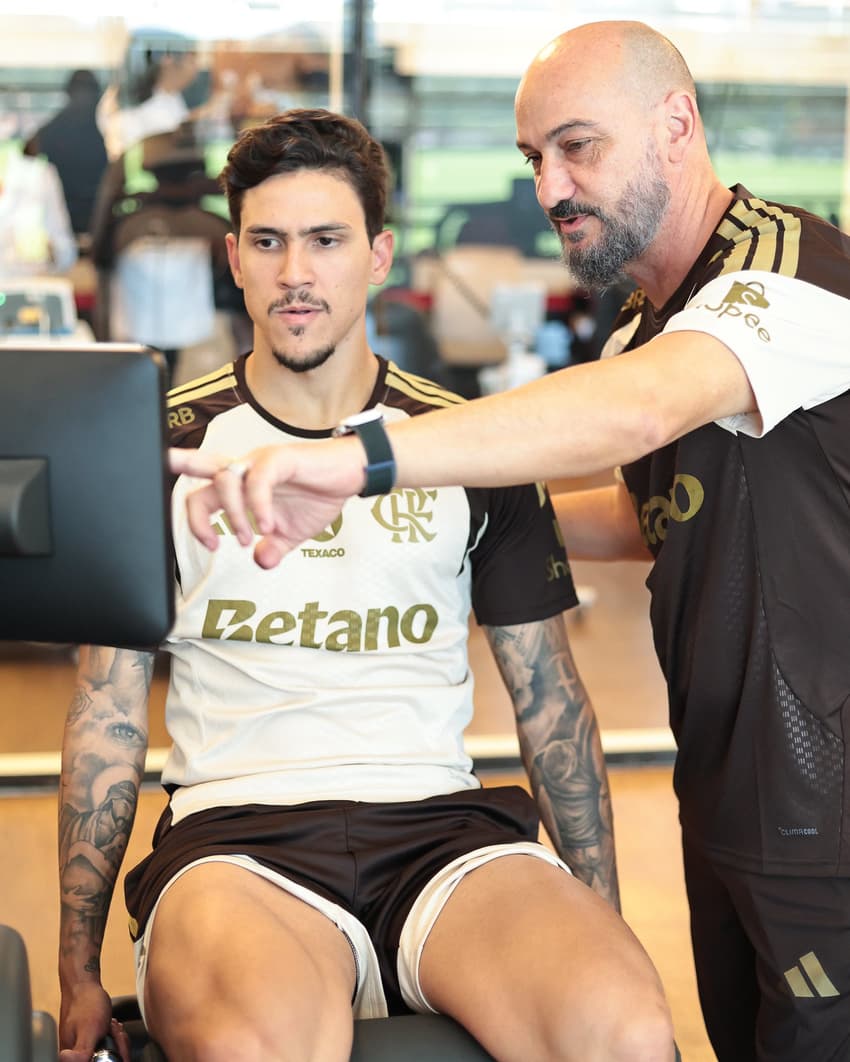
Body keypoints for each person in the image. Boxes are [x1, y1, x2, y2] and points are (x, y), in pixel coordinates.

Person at [172, 23, 850, 1062]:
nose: (550, 188)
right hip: (730, 776)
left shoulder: (789, 277)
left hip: (828, 789)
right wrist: (434, 527)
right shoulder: (642, 322)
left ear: (676, 124)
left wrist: (366, 460)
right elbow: (640, 512)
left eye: (579, 147)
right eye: (535, 158)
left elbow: (633, 415)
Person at [58, 108, 675, 1062]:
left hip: (444, 829)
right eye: (268, 242)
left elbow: (549, 702)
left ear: (380, 255)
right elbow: (107, 718)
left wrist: (602, 920)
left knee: (623, 1031)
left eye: (326, 241)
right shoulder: (158, 451)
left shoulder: (467, 445)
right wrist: (77, 970)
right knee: (257, 1046)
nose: (296, 274)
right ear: (233, 256)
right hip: (235, 840)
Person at [23, 69, 108, 236]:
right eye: (83, 92)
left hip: (88, 212)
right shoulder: (59, 128)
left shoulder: (104, 126)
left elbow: (27, 152)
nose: (86, 98)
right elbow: (27, 153)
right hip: (65, 212)